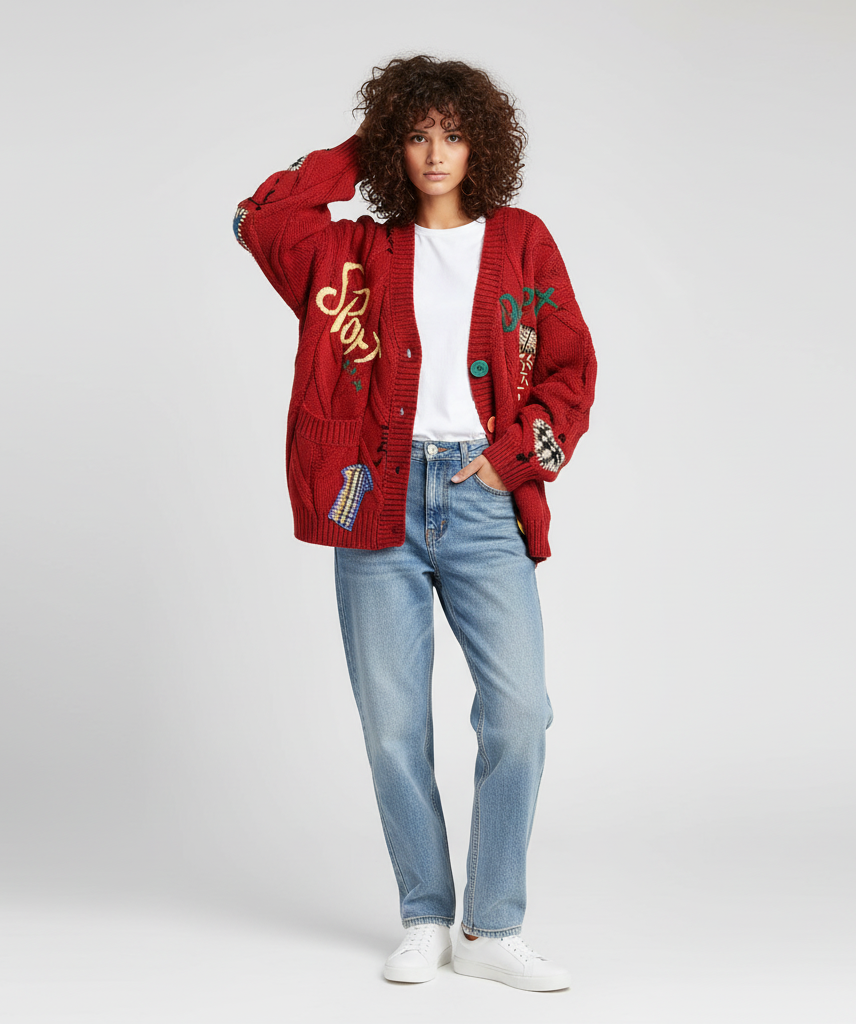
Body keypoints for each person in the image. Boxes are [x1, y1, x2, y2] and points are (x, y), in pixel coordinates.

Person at [233, 55, 596, 992]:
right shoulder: (352, 250)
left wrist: (513, 459)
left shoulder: (521, 240)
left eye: (453, 134)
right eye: (417, 134)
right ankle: (427, 916)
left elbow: (571, 367)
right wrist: (363, 150)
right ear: (395, 145)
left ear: (483, 146)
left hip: (481, 497)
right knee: (394, 727)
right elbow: (258, 219)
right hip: (374, 500)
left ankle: (492, 926)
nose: (436, 152)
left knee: (520, 713)